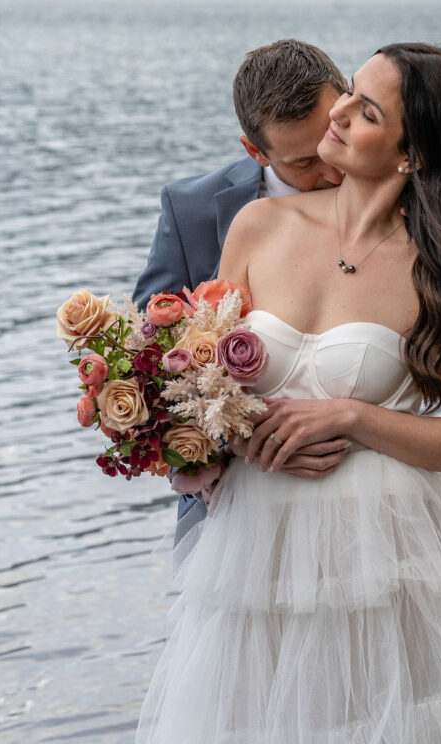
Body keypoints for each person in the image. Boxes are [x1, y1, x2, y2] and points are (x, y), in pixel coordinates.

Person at [135, 43, 441, 743]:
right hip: (255, 560)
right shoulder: (255, 227)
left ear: (408, 154)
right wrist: (237, 436)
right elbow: (206, 384)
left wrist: (354, 416)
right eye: (350, 91)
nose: (340, 110)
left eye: (366, 108)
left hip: (384, 566)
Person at [133, 39, 351, 529]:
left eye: (333, 140)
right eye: (303, 163)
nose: (333, 172)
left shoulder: (401, 195)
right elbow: (148, 372)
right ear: (255, 151)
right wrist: (247, 439)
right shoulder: (190, 209)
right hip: (233, 517)